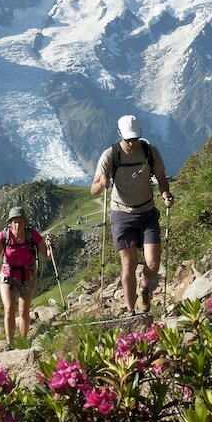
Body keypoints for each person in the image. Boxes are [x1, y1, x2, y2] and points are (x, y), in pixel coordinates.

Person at [90, 115, 173, 315]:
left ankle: (144, 289)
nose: (131, 143)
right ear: (119, 134)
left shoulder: (150, 152)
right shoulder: (110, 155)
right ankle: (130, 311)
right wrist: (102, 184)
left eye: (135, 139)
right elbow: (93, 189)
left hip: (147, 212)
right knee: (129, 264)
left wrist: (165, 194)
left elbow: (161, 178)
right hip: (121, 214)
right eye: (128, 139)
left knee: (153, 263)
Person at [0, 206, 48, 349]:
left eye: (20, 221)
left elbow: (47, 255)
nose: (18, 225)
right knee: (9, 308)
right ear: (10, 223)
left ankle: (23, 341)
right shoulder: (3, 236)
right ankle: (10, 342)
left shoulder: (33, 235)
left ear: (25, 222)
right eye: (14, 222)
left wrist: (50, 247)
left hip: (27, 276)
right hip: (8, 276)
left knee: (24, 311)